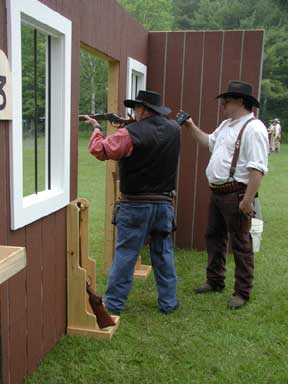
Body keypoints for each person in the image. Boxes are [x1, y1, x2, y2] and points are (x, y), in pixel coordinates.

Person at [83, 90, 180, 315]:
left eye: (136, 108)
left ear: (143, 110)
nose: (134, 111)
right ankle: (168, 303)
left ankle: (114, 304)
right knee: (164, 253)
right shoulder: (174, 129)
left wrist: (96, 128)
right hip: (164, 205)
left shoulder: (129, 133)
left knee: (126, 255)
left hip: (135, 205)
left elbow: (100, 150)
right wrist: (127, 125)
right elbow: (155, 134)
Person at [182, 80, 269, 309]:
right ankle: (215, 281)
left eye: (227, 100)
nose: (223, 105)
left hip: (236, 194)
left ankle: (242, 292)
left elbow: (257, 169)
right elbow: (208, 141)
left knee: (241, 244)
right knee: (214, 237)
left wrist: (247, 200)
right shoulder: (226, 125)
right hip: (218, 193)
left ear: (240, 101)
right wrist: (190, 125)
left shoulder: (254, 128)